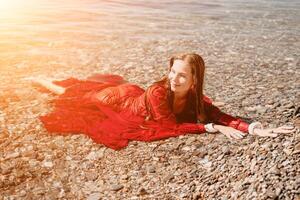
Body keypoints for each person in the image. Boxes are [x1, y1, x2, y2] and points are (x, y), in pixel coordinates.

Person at [32, 53, 296, 150]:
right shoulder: (159, 92)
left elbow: (220, 115)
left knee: (82, 92)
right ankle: (43, 80)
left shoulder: (195, 99)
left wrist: (255, 129)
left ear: (194, 81)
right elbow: (169, 126)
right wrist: (212, 128)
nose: (174, 79)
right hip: (119, 101)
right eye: (172, 72)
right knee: (77, 96)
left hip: (133, 97)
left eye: (182, 75)